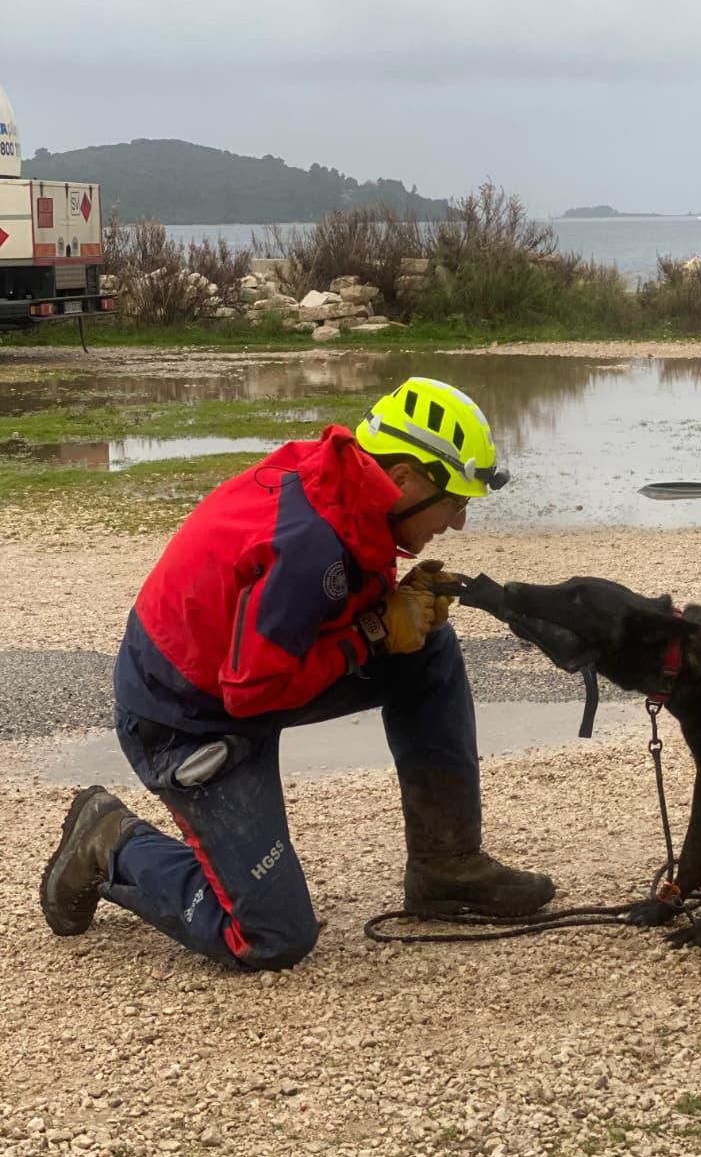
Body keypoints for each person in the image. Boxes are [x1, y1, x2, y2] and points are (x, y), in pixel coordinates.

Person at [40, 376, 554, 970]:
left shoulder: (347, 484)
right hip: (185, 718)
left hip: (241, 673)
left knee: (426, 648)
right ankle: (109, 840)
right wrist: (374, 632)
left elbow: (310, 614)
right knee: (271, 936)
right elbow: (252, 691)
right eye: (455, 502)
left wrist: (392, 611)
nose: (458, 522)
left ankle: (447, 868)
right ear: (405, 478)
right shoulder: (308, 544)